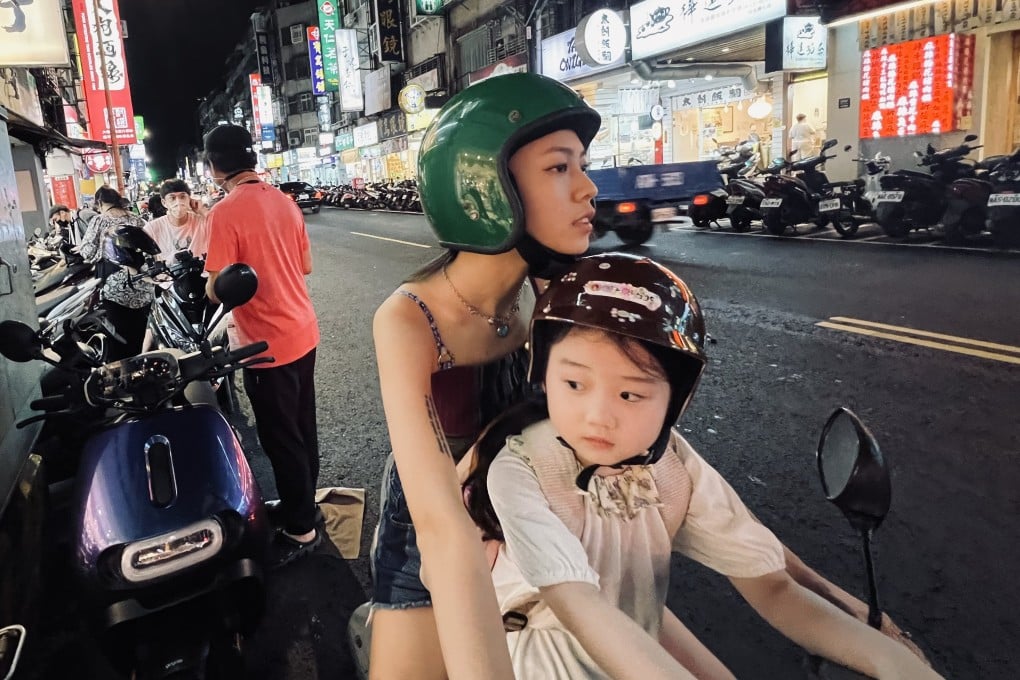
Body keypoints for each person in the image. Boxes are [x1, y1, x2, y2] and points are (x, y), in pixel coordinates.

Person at [461, 253, 942, 680]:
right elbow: (577, 603)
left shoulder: (671, 467)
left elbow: (771, 584)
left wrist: (893, 662)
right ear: (543, 375)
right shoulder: (521, 471)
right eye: (574, 384)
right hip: (544, 655)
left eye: (630, 393)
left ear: (676, 401)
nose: (599, 415)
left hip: (634, 638)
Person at [368, 72, 602, 680]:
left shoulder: (544, 292)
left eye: (581, 165)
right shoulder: (408, 319)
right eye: (559, 168)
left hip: (527, 512)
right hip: (432, 527)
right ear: (486, 187)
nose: (588, 188)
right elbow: (440, 527)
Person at [202, 124, 322, 568]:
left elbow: (216, 288)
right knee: (302, 426)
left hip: (265, 343)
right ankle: (303, 503)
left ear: (214, 166)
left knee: (280, 436)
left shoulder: (224, 212)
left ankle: (301, 527)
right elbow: (305, 266)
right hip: (303, 330)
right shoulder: (286, 202)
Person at [78, 186, 158, 360]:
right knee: (142, 333)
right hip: (144, 286)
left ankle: (123, 368)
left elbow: (87, 252)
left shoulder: (99, 220)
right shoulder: (137, 219)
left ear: (99, 202)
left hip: (114, 287)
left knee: (119, 336)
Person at [143, 179, 210, 263]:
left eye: (182, 197)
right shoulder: (152, 229)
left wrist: (202, 211)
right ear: (164, 203)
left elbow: (222, 230)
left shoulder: (202, 221)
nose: (178, 202)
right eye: (172, 198)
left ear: (189, 199)